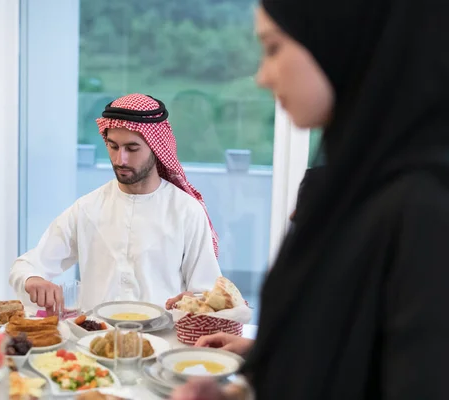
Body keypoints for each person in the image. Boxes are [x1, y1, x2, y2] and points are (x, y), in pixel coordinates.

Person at [172, 0, 449, 398]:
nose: (262, 77)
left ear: (338, 40)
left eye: (273, 47)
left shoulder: (426, 209)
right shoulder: (353, 184)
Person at [10, 94, 221, 313]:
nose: (120, 160)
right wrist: (33, 279)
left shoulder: (186, 211)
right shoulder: (87, 208)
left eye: (132, 148)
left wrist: (196, 301)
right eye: (113, 146)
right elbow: (26, 265)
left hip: (163, 341)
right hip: (95, 341)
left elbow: (206, 294)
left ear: (156, 148)